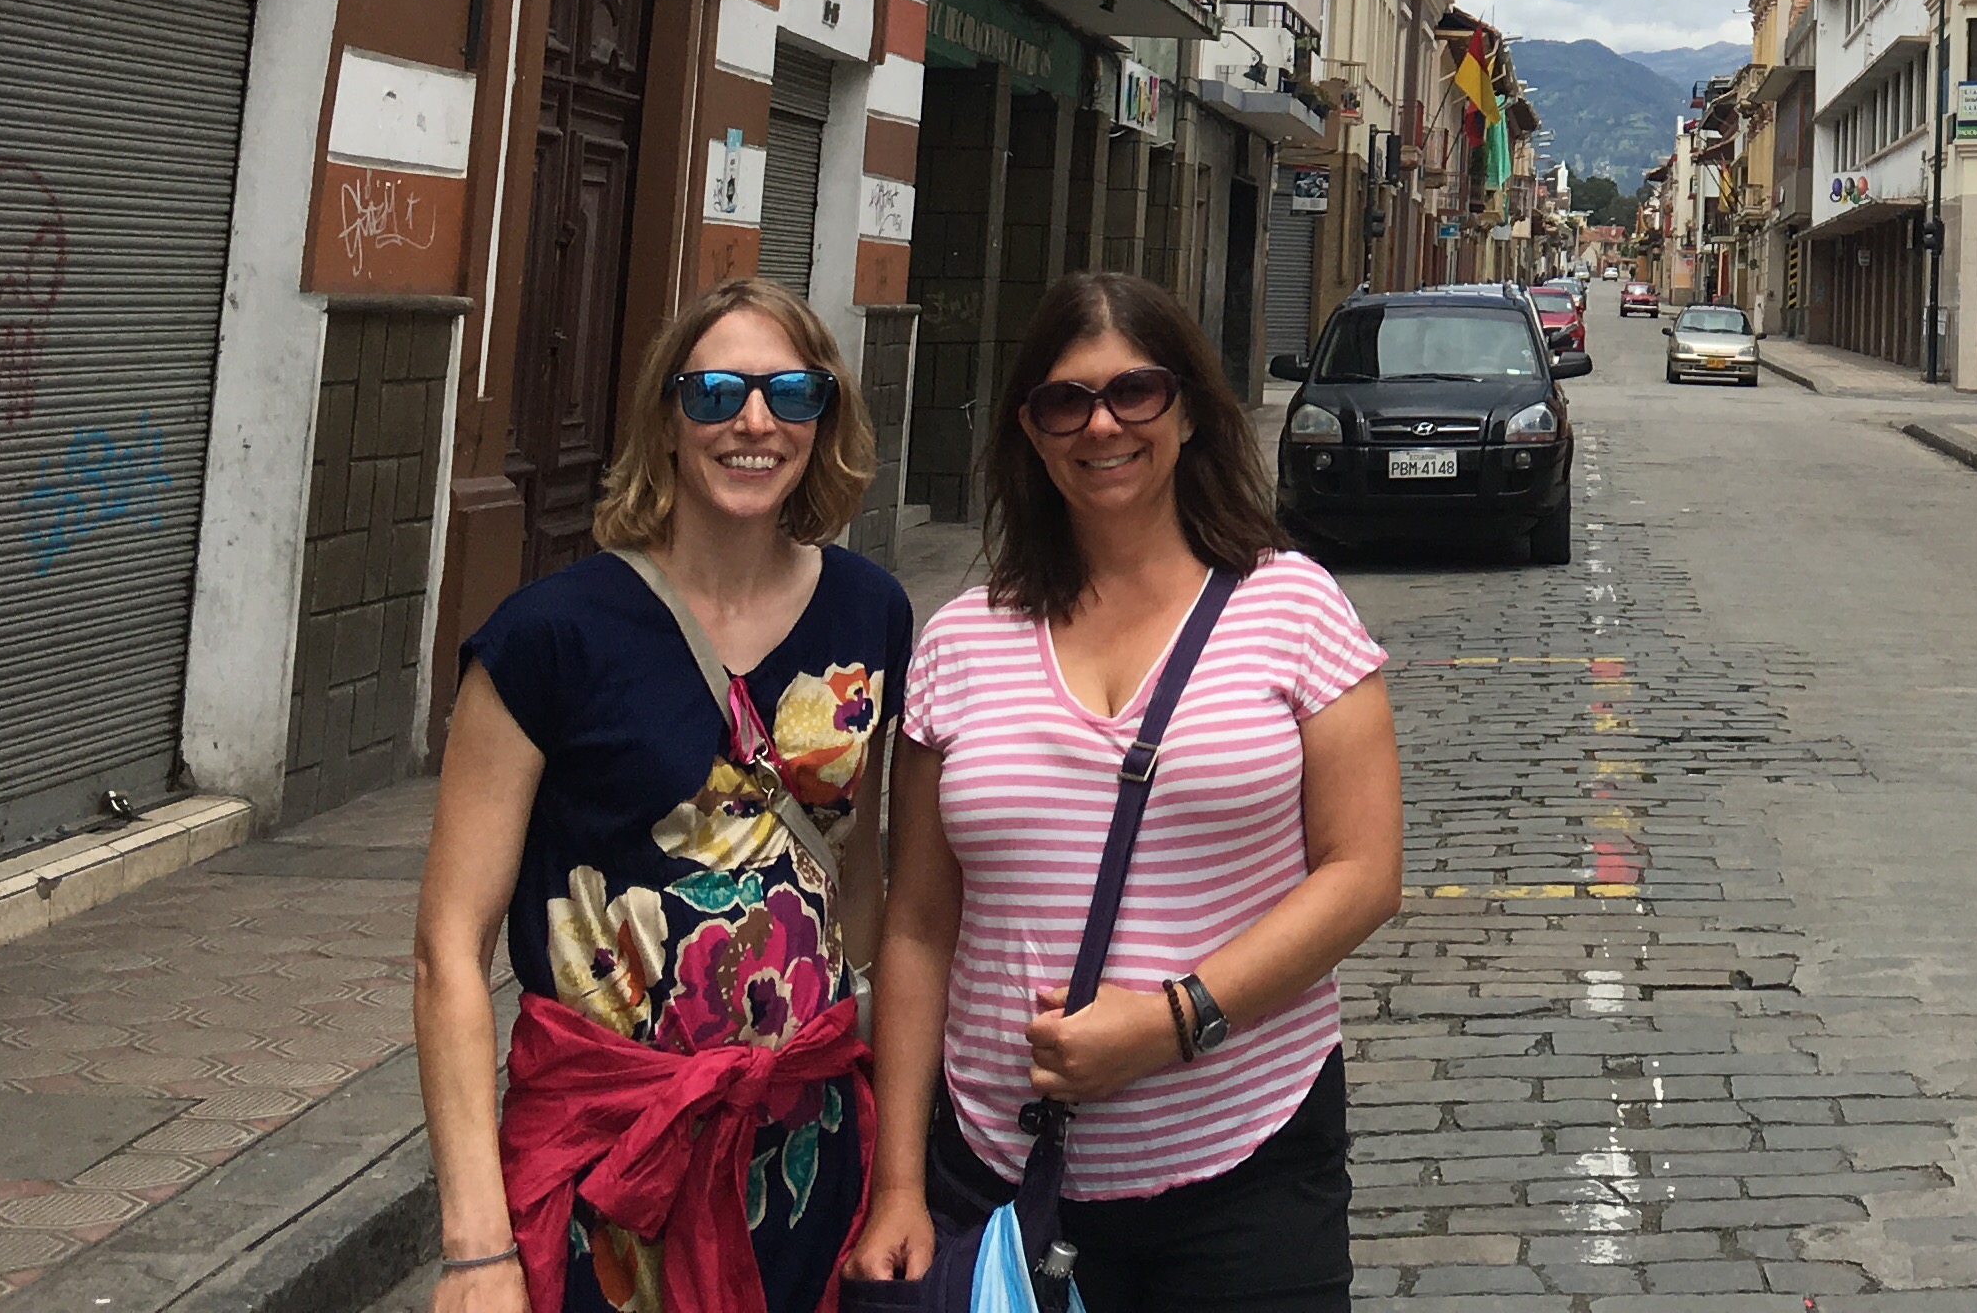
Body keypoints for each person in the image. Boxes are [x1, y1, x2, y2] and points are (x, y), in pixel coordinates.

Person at [852, 274, 1401, 1313]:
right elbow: (920, 923)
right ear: (1031, 432)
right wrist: (898, 1187)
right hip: (997, 1174)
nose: (1102, 425)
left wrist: (1169, 1023)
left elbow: (1363, 873)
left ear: (1188, 412)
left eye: (1135, 392)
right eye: (1066, 401)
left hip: (1248, 1167)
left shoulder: (1293, 607)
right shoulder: (961, 642)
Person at [414, 278, 912, 1313]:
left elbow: (857, 877)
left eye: (791, 393)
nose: (755, 422)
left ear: (825, 416)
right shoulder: (547, 638)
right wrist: (474, 1247)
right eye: (716, 392)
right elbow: (447, 949)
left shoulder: (872, 612)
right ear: (666, 418)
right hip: (611, 1169)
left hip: (807, 1158)